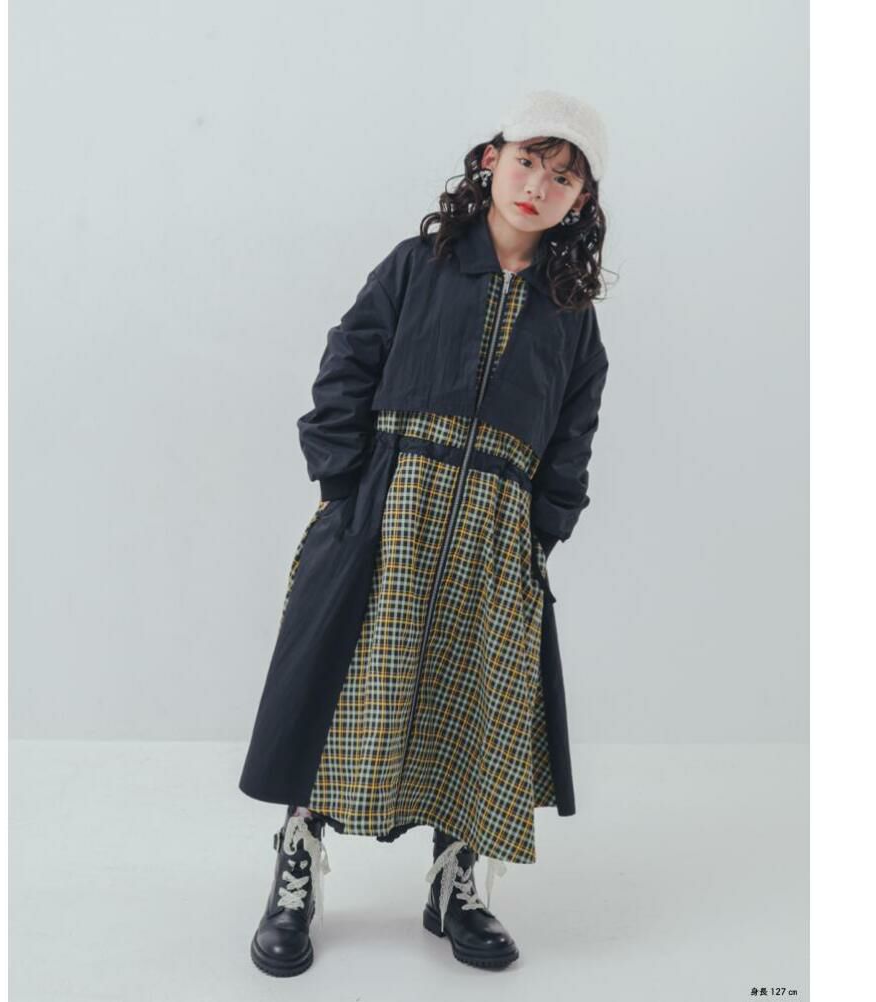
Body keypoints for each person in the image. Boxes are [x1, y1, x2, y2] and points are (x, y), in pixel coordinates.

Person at [241, 89, 612, 977]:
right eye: (528, 161)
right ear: (491, 159)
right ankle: (297, 866)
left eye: (563, 178)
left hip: (494, 533)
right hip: (387, 515)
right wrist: (345, 488)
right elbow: (347, 363)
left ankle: (456, 883)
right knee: (343, 690)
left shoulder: (572, 317)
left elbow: (572, 437)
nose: (538, 186)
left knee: (474, 697)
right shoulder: (421, 264)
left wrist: (539, 533)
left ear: (581, 201)